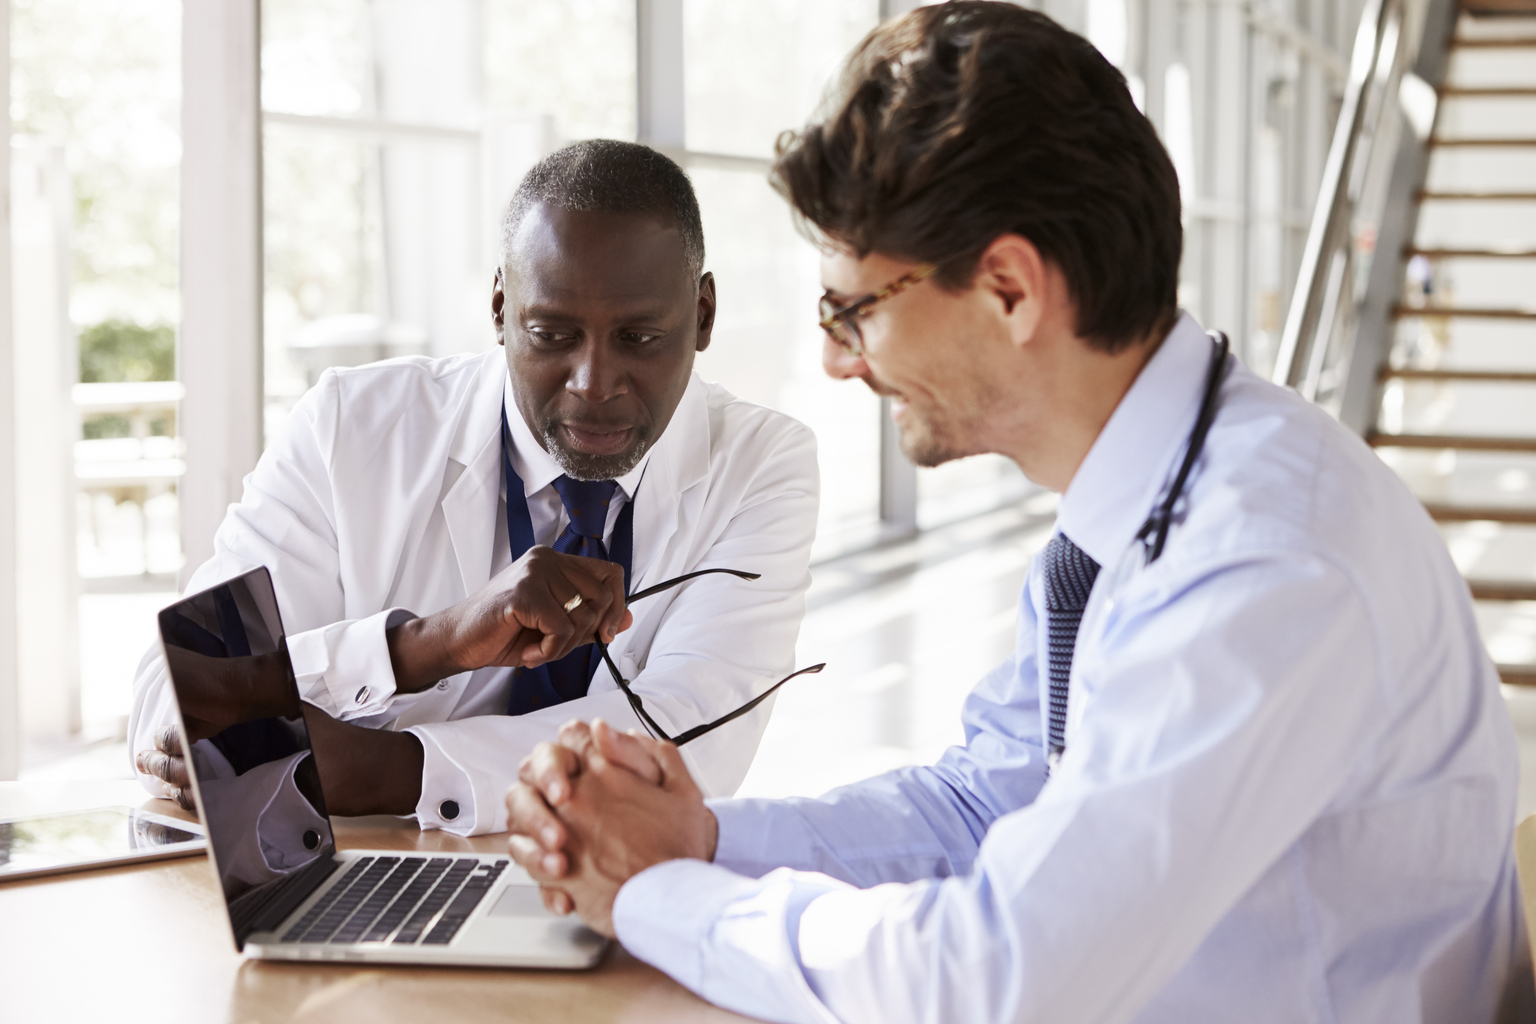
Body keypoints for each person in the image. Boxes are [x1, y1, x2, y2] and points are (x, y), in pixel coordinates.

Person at [503, 6, 1530, 1022]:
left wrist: (655, 892)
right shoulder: (1134, 499)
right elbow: (987, 800)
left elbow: (995, 979)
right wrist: (703, 839)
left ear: (1008, 289)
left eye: (855, 309)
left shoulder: (1265, 559)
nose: (836, 358)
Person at [130, 140, 819, 836]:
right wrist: (424, 647)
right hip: (367, 883)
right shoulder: (350, 429)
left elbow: (690, 741)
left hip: (619, 890)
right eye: (552, 334)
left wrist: (383, 767)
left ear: (702, 317)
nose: (595, 383)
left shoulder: (762, 463)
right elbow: (174, 697)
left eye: (639, 338)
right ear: (499, 309)